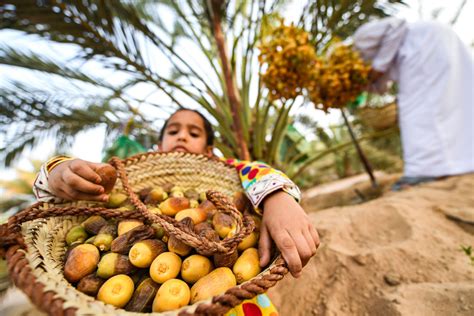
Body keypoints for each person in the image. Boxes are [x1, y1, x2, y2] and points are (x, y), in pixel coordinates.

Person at [33, 108, 320, 315]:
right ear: (158, 147)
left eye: (193, 133)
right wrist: (58, 170)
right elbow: (62, 195)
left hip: (238, 307)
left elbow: (254, 171)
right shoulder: (129, 180)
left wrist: (277, 197)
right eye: (173, 131)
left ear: (209, 152)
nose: (182, 136)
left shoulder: (229, 172)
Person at [353, 18, 474, 190]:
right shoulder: (366, 63)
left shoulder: (361, 39)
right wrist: (367, 83)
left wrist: (378, 68)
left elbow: (397, 26)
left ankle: (422, 171)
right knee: (443, 108)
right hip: (430, 51)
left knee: (416, 112)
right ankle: (450, 165)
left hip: (425, 46)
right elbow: (382, 85)